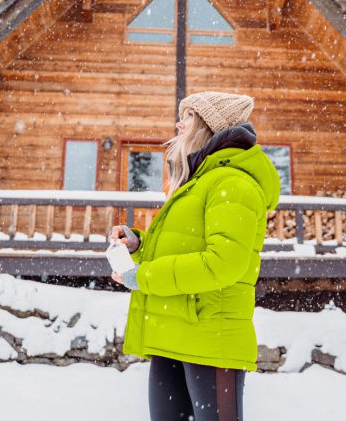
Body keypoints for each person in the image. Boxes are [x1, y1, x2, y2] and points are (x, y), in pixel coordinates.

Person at [109, 91, 280, 421]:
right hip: (175, 332)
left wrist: (142, 277)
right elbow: (184, 247)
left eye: (187, 116)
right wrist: (138, 246)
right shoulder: (197, 181)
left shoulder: (234, 183)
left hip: (211, 338)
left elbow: (222, 263)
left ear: (207, 125)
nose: (179, 123)